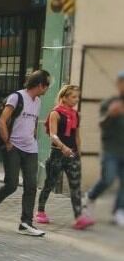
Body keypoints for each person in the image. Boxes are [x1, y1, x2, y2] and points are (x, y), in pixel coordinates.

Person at [0, 70, 51, 236]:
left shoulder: (38, 102)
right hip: (14, 148)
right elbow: (1, 121)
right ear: (40, 85)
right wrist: (7, 142)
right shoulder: (16, 97)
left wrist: (33, 139)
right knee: (11, 185)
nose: (47, 88)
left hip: (30, 149)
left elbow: (33, 122)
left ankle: (26, 223)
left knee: (31, 186)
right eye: (46, 85)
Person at [35, 85, 94, 229]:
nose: (76, 100)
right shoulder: (55, 113)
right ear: (64, 97)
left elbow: (77, 136)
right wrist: (63, 147)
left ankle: (79, 217)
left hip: (72, 155)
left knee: (75, 186)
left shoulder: (76, 115)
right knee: (50, 183)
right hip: (57, 154)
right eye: (73, 97)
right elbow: (53, 135)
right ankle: (40, 211)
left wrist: (78, 154)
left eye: (77, 97)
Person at [84, 71, 124, 227]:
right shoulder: (109, 103)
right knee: (108, 179)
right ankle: (91, 197)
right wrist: (110, 114)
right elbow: (101, 124)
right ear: (118, 84)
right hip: (111, 149)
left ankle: (119, 211)